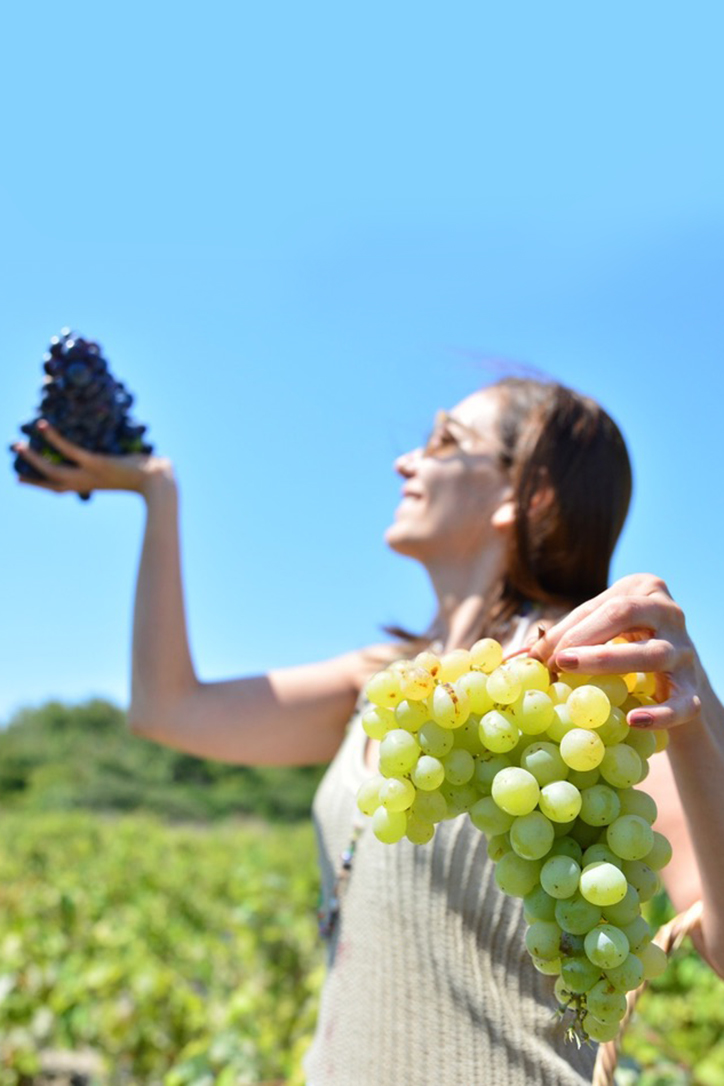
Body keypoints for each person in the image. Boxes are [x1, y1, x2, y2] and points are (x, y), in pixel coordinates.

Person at [12, 376, 724, 1085]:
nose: (405, 460)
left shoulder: (588, 687)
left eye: (444, 440)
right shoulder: (388, 687)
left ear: (526, 495)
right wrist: (157, 492)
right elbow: (165, 709)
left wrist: (696, 717)